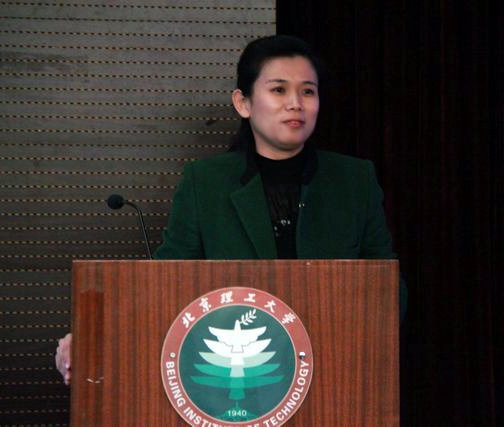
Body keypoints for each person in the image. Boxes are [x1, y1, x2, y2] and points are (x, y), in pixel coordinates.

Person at [55, 35, 407, 384]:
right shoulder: (205, 182)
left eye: (308, 91)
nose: (295, 103)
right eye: (279, 89)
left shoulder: (354, 180)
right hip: (234, 376)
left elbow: (389, 287)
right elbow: (162, 284)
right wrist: (94, 335)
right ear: (243, 103)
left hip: (334, 373)